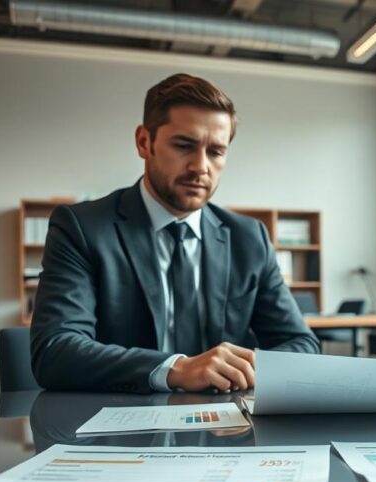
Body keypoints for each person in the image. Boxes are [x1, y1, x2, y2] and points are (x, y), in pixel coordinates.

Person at [31, 73, 319, 394]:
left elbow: (301, 343)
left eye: (216, 152)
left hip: (225, 428)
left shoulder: (249, 238)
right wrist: (176, 369)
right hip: (121, 423)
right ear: (144, 142)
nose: (201, 167)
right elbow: (55, 350)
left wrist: (243, 366)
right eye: (184, 146)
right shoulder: (82, 227)